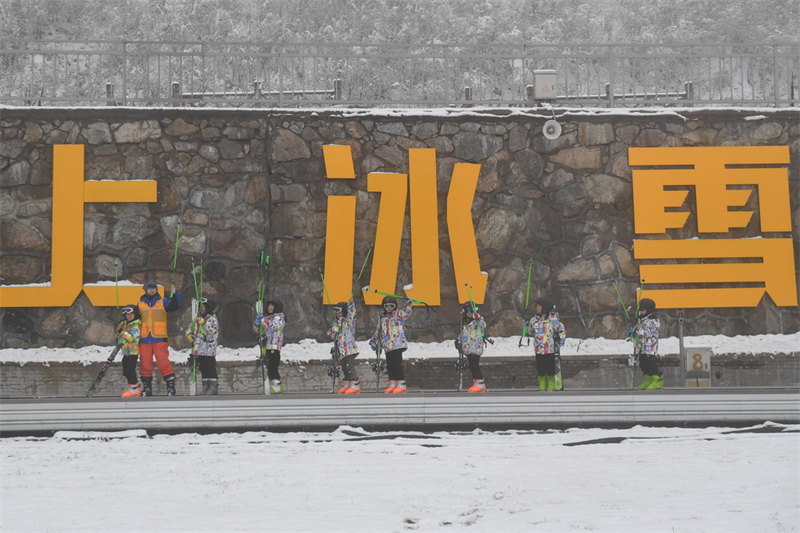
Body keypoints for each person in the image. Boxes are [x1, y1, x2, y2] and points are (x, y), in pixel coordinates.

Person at [137, 281, 181, 396]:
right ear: (145, 290)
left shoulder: (163, 302)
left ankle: (171, 387)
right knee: (145, 363)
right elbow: (132, 318)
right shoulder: (140, 304)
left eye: (153, 288)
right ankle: (147, 388)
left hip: (159, 338)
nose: (152, 290)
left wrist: (175, 293)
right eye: (149, 288)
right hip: (144, 338)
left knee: (163, 362)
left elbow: (175, 305)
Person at [370, 295, 413, 393]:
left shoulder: (398, 315)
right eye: (386, 306)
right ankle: (392, 382)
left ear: (395, 307)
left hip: (397, 344)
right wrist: (373, 340)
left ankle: (401, 384)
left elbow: (407, 313)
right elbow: (378, 330)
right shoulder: (382, 318)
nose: (389, 308)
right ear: (383, 307)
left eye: (391, 306)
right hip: (387, 346)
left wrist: (408, 304)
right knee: (390, 365)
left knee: (397, 364)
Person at [526, 297, 566, 391]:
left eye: (539, 306)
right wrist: (526, 326)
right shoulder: (534, 320)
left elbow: (561, 329)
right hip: (539, 349)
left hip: (549, 349)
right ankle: (542, 386)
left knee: (550, 369)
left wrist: (561, 340)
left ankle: (551, 386)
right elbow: (529, 331)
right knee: (541, 369)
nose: (537, 308)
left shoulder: (552, 319)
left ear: (544, 307)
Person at [185, 297, 220, 395]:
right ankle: (205, 384)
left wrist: (205, 323)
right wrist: (189, 335)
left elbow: (213, 331)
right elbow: (190, 328)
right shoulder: (196, 319)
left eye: (203, 307)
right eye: (200, 307)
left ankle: (213, 385)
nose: (202, 308)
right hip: (199, 348)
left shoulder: (212, 319)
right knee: (203, 367)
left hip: (209, 348)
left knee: (210, 366)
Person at [252, 298, 286, 394]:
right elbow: (260, 330)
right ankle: (272, 385)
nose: (270, 307)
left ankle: (278, 386)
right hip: (267, 346)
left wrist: (262, 319)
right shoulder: (268, 318)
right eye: (269, 305)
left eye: (272, 305)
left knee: (273, 366)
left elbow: (272, 326)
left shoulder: (279, 318)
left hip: (274, 347)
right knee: (269, 367)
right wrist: (257, 324)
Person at [328, 299, 360, 394]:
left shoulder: (348, 322)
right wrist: (333, 330)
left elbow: (352, 315)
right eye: (336, 311)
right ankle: (347, 383)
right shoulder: (336, 322)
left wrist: (351, 305)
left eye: (339, 311)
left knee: (349, 366)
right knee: (344, 367)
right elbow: (331, 335)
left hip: (349, 348)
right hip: (341, 349)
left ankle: (355, 383)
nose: (337, 313)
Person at [631, 298, 663, 390]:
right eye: (640, 310)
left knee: (651, 364)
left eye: (643, 310)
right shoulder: (643, 319)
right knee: (643, 364)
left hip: (649, 347)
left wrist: (637, 331)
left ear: (648, 310)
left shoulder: (652, 321)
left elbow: (647, 333)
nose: (641, 312)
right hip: (642, 347)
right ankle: (648, 379)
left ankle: (657, 380)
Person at [457, 303, 488, 392]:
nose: (469, 313)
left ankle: (480, 383)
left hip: (475, 347)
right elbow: (463, 334)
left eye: (471, 311)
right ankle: (476, 382)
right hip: (468, 348)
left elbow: (483, 325)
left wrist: (478, 318)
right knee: (471, 365)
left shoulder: (477, 321)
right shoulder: (466, 323)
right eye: (467, 311)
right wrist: (458, 340)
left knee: (475, 364)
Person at [117, 304, 142, 398]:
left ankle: (135, 389)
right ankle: (132, 387)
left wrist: (122, 332)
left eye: (131, 314)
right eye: (127, 315)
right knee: (126, 370)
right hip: (126, 352)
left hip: (133, 352)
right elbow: (121, 338)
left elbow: (131, 337)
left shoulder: (136, 325)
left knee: (130, 370)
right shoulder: (127, 325)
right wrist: (119, 332)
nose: (129, 316)